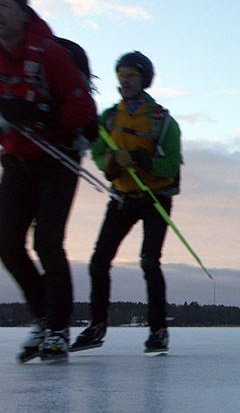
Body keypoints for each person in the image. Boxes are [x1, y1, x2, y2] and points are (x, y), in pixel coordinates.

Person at [0, 0, 97, 362]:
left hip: (58, 158)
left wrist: (35, 112)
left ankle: (58, 327)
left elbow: (83, 112)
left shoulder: (50, 55)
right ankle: (43, 318)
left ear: (23, 12)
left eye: (5, 5)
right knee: (7, 244)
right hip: (16, 159)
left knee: (47, 243)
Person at [72, 51, 181, 354]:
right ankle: (96, 326)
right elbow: (96, 151)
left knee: (149, 262)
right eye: (121, 74)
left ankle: (158, 330)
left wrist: (138, 158)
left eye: (131, 75)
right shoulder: (109, 117)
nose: (125, 80)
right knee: (98, 262)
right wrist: (110, 164)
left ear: (144, 79)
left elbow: (170, 167)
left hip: (155, 199)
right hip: (122, 198)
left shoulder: (162, 121)